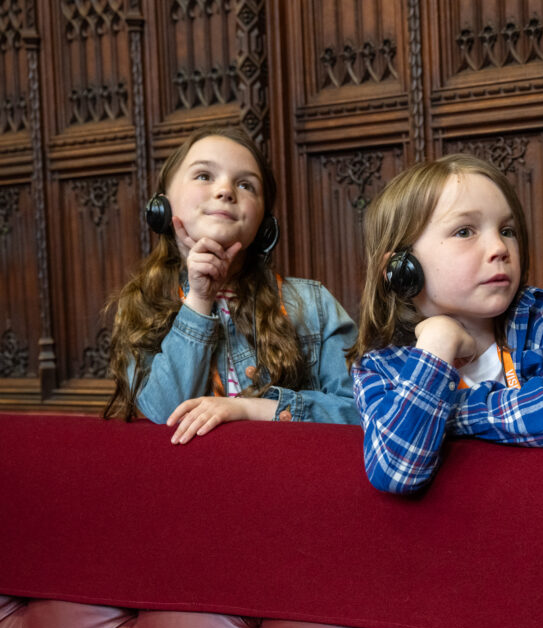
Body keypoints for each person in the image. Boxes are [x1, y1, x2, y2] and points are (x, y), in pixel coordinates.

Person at [347, 154, 543, 494]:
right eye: (465, 231)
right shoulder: (379, 368)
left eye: (507, 230)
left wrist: (443, 414)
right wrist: (437, 346)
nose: (499, 247)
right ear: (401, 267)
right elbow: (394, 470)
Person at [104, 125, 358, 442]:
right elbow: (165, 412)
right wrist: (199, 298)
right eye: (204, 176)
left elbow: (362, 412)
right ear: (162, 205)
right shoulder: (141, 303)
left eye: (246, 185)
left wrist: (251, 409)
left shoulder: (314, 304)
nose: (226, 191)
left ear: (264, 222)